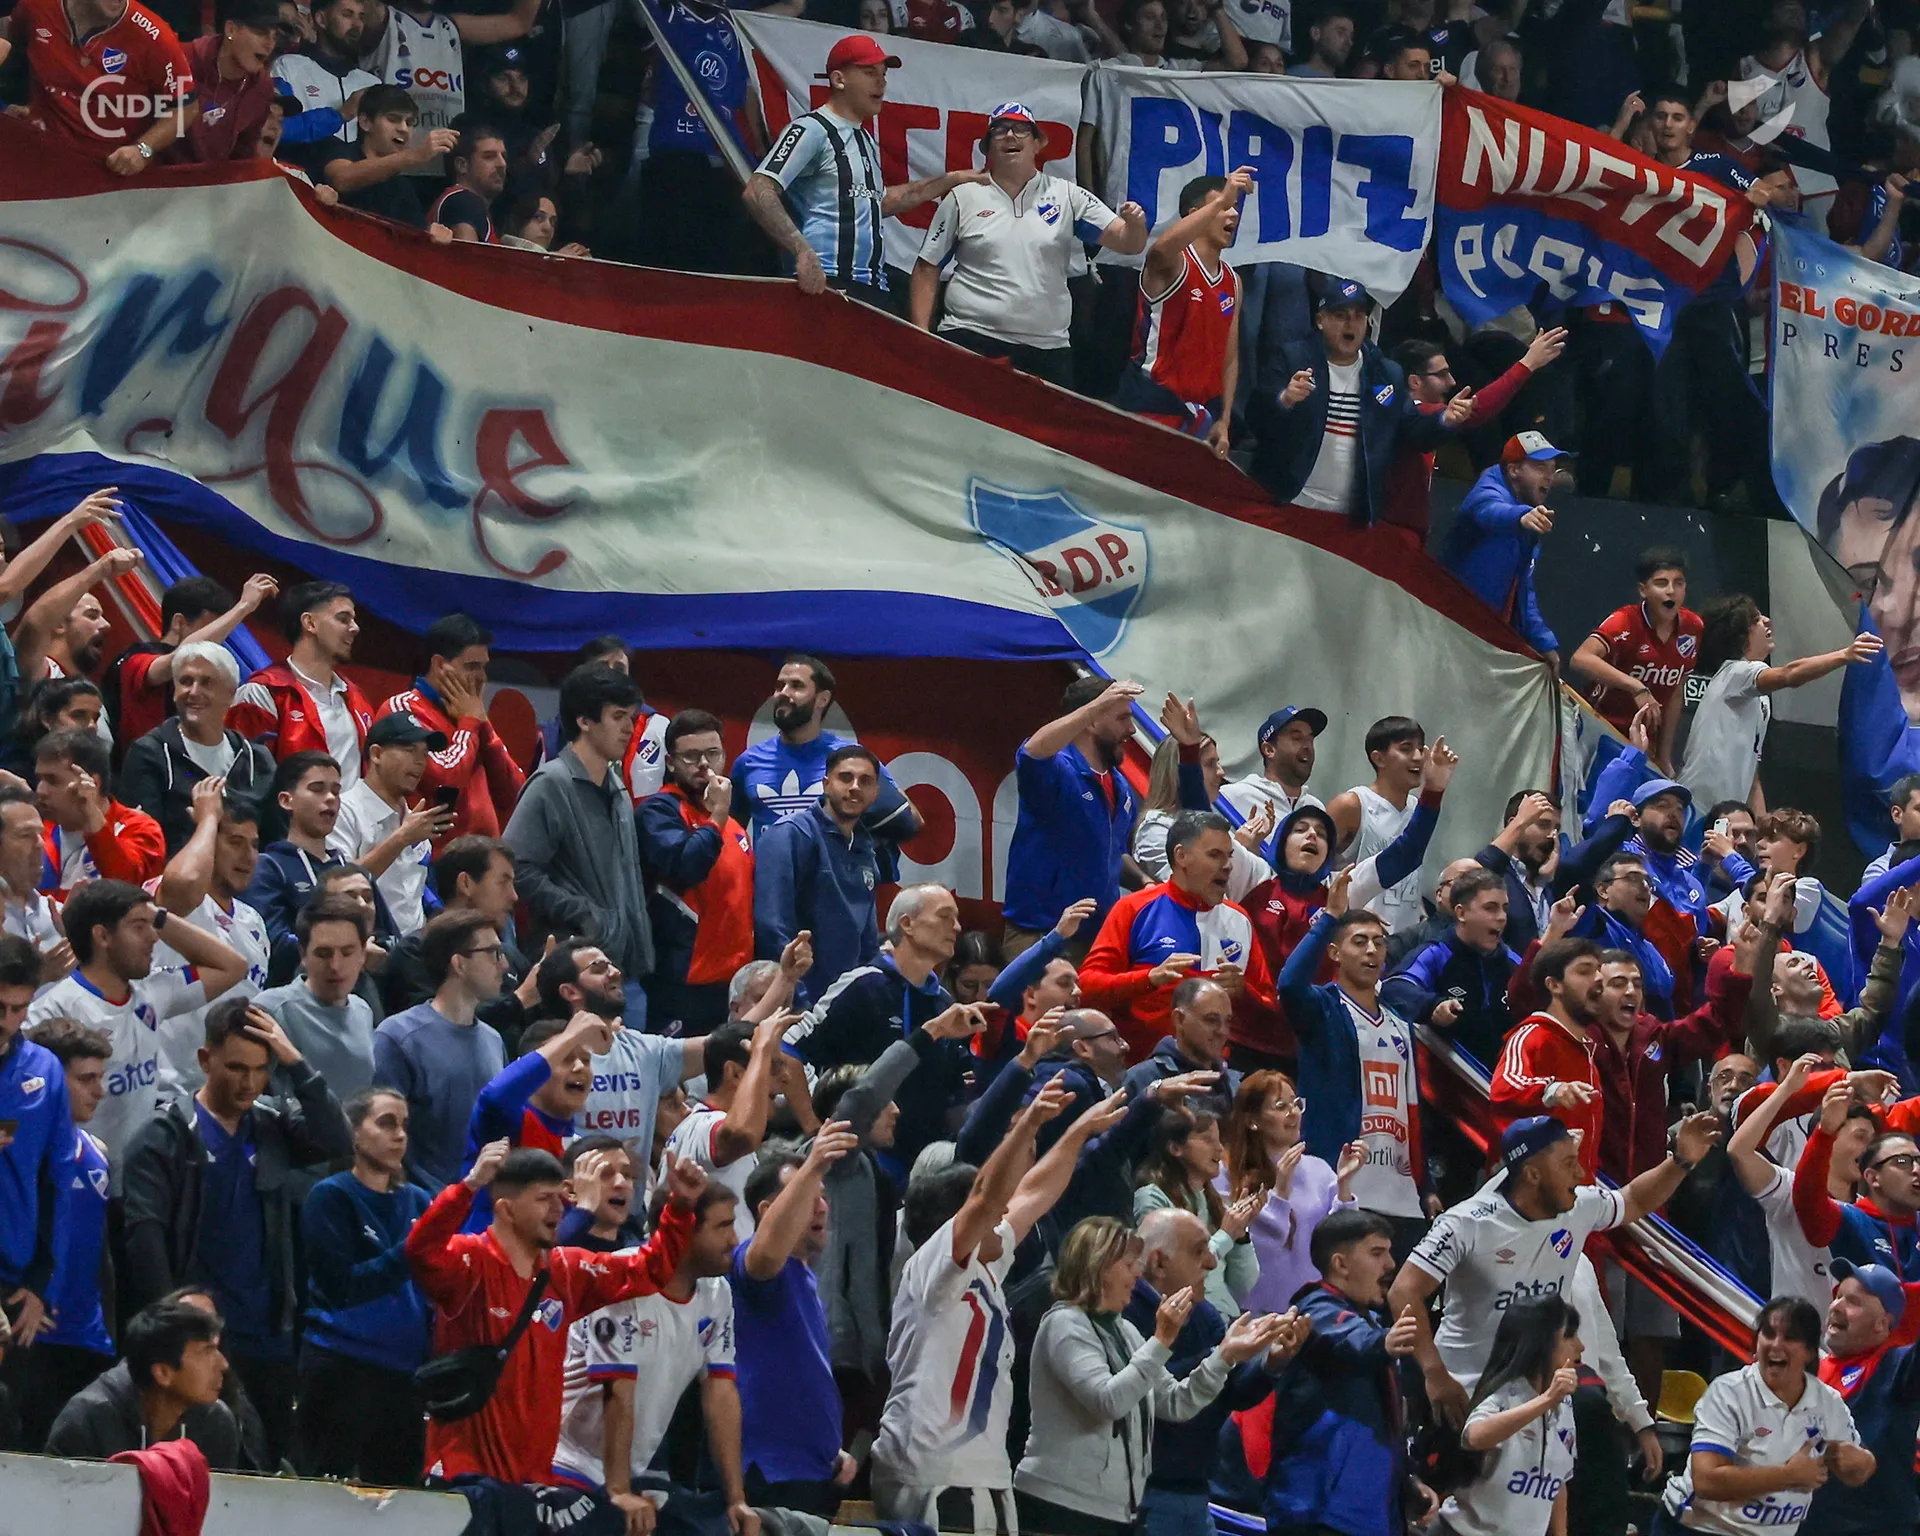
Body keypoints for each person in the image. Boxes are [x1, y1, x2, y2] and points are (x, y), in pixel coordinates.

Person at [871, 1078, 1120, 1528]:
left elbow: (1035, 1193)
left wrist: (1078, 1131)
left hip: (977, 1473)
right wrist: (1028, 1124)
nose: (1006, 1213)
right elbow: (988, 1197)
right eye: (993, 1210)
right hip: (937, 1474)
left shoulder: (984, 1265)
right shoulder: (934, 1267)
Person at [120, 997, 352, 1468]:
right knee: (197, 1464)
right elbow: (145, 1241)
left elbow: (337, 1140)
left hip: (267, 1334)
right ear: (205, 1060)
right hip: (198, 1340)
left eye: (261, 1069)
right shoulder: (164, 1137)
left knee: (266, 1466)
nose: (249, 1082)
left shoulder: (271, 1127)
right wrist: (175, 1332)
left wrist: (296, 1063)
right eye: (236, 1068)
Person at [405, 1137, 702, 1497]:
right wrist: (469, 1186)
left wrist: (681, 1206)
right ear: (506, 1210)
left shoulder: (566, 1271)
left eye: (560, 1198)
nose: (558, 1209)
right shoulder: (470, 1262)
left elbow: (650, 1269)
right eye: (544, 1199)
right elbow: (420, 1250)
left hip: (534, 1483)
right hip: (463, 1478)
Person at [1390, 1112, 1719, 1425]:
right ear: (1532, 1174)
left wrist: (1681, 1161)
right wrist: (1434, 1373)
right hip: (1469, 1394)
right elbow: (1404, 1291)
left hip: (1544, 1393)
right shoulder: (1466, 1223)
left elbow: (1633, 1199)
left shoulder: (1579, 1206)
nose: (1580, 1173)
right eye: (1568, 1163)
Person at [1012, 1214, 1282, 1536]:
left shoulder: (1125, 1330)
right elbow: (1108, 1401)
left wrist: (1225, 1356)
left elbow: (1176, 1402)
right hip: (1058, 1504)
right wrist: (1161, 1340)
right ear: (1099, 1267)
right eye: (1128, 1265)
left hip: (1113, 1509)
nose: (1137, 1274)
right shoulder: (1065, 1324)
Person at [551, 1180, 753, 1533]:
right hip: (567, 1466)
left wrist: (736, 1499)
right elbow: (618, 1390)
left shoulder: (717, 1292)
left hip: (626, 1473)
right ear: (684, 1232)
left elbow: (720, 1393)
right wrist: (618, 1490)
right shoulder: (621, 1278)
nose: (734, 1240)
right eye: (723, 1226)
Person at [911, 103, 1146, 389]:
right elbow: (927, 266)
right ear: (987, 147)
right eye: (1000, 130)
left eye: (1021, 129)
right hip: (969, 337)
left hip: (1046, 349)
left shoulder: (1067, 195)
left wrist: (1135, 225)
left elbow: (1128, 243)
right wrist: (920, 335)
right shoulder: (963, 196)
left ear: (1037, 144)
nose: (1010, 135)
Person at [26, 878, 249, 1174]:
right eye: (139, 926)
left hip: (142, 1177)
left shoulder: (153, 992)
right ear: (102, 936)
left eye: (152, 926)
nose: (154, 937)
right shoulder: (54, 1011)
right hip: (82, 1177)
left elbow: (233, 966)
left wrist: (159, 916)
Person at [744, 32, 983, 305]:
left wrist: (953, 178)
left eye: (883, 74)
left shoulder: (864, 138)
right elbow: (757, 190)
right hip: (824, 282)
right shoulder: (811, 129)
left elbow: (877, 202)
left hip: (869, 286)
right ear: (839, 79)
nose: (881, 82)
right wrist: (801, 250)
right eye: (870, 73)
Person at [1122, 1206, 1297, 1536]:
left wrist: (1271, 1362)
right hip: (1143, 1495)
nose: (1212, 1263)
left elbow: (1233, 1392)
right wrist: (1221, 1354)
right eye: (1198, 1251)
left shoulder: (1204, 1314)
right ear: (1158, 1262)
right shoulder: (1126, 1311)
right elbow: (1150, 1392)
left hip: (1198, 1491)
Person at [1279, 879, 1436, 1244]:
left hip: (1401, 1193)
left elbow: (1410, 1106)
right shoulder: (1323, 1009)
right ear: (1334, 953)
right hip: (1342, 1185)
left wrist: (1425, 1183)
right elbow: (1289, 985)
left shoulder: (1400, 1022)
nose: (1372, 950)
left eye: (1379, 942)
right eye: (1360, 941)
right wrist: (1329, 918)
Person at [1261, 1208, 1427, 1536]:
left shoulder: (1370, 1324)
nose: (1390, 1265)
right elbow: (1351, 1341)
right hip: (1317, 1509)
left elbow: (1384, 1423)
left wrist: (1405, 1481)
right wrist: (1384, 1343)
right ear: (1341, 1264)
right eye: (1377, 1253)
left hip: (1368, 1513)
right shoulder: (1316, 1311)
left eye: (1389, 1253)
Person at [297, 1086, 431, 1484]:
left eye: (404, 1125)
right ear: (354, 1133)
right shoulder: (330, 1196)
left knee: (402, 1497)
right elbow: (342, 1288)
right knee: (328, 1494)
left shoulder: (420, 1201)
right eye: (386, 1123)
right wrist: (412, 1249)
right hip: (342, 1365)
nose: (400, 1135)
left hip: (405, 1372)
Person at [504, 664, 654, 1020]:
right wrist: (583, 913)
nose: (629, 727)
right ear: (584, 721)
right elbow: (515, 867)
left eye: (631, 717)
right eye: (618, 716)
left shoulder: (617, 789)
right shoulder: (550, 784)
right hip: (575, 979)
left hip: (624, 971)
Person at [1251, 278, 1469, 523]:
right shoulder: (1292, 358)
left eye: (1358, 316)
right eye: (1340, 315)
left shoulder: (1386, 373)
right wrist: (1285, 400)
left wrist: (1445, 420)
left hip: (1349, 517)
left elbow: (1415, 431)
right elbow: (1255, 420)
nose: (1350, 324)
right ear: (1320, 320)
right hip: (1288, 503)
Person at [1654, 1295, 1873, 1536]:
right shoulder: (1728, 1393)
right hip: (1697, 1528)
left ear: (1811, 1352)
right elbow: (1706, 1481)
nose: (1776, 1345)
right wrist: (1788, 1476)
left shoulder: (1827, 1402)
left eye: (1790, 1337)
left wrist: (1862, 1463)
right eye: (1768, 1334)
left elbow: (1859, 1471)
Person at [729, 1127, 864, 1517]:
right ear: (767, 1211)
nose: (820, 1207)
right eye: (806, 1195)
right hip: (772, 1474)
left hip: (812, 1470)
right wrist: (815, 1163)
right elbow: (764, 1257)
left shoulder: (805, 1278)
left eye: (823, 1196)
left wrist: (831, 1449)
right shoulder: (753, 1265)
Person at [793, 884, 978, 1165]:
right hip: (858, 1161)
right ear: (907, 924)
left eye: (956, 918)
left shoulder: (944, 1003)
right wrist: (813, 1130)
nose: (957, 927)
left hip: (921, 1164)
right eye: (944, 916)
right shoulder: (863, 985)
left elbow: (951, 1094)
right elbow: (788, 1052)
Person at [1080, 811, 1277, 1062]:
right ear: (1181, 856)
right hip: (1140, 1071)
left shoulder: (1240, 920)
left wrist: (1244, 992)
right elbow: (1086, 987)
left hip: (1216, 1074)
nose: (1228, 866)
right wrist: (1149, 979)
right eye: (1215, 855)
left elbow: (1270, 1010)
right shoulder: (1134, 908)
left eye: (1229, 856)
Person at [1681, 596, 1883, 812]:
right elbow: (1789, 674)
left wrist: (1762, 824)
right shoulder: (1733, 673)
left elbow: (1752, 776)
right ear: (1739, 634)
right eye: (1756, 619)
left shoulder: (1760, 699)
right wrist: (1844, 654)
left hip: (1725, 815)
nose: (1767, 621)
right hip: (1695, 806)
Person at [1384, 328, 1566, 549]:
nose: (1452, 382)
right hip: (1390, 532)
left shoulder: (1411, 416)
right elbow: (1477, 410)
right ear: (1415, 382)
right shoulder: (1411, 413)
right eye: (1441, 374)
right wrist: (1527, 364)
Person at [1003, 676, 1142, 959]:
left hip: (1096, 940)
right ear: (1090, 721)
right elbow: (1031, 753)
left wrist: (1143, 880)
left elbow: (1112, 853)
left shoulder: (1120, 787)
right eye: (1122, 718)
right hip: (1042, 935)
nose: (1131, 729)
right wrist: (1095, 706)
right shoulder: (1057, 771)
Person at [372, 909, 511, 1192]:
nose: (505, 965)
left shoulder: (494, 1040)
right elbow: (384, 1138)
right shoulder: (398, 1037)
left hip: (485, 1206)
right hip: (427, 1206)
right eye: (493, 953)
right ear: (459, 963)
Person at [1114, 170, 1250, 454]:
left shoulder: (1233, 281)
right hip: (1154, 402)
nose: (1233, 214)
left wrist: (1225, 420)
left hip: (1202, 415)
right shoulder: (1174, 263)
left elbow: (1230, 357)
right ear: (1196, 215)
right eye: (1224, 207)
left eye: (1234, 207)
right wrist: (1221, 200)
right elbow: (1157, 253)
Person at [150, 783, 273, 1092]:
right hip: (167, 1089)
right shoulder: (175, 900)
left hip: (229, 1090)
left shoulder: (253, 920)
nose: (248, 856)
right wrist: (207, 818)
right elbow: (186, 881)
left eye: (254, 845)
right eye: (235, 842)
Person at [637, 708, 754, 1034]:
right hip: (683, 983)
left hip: (732, 982)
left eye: (712, 753)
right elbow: (685, 867)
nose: (704, 764)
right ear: (671, 762)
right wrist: (717, 816)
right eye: (691, 756)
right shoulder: (659, 811)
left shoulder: (732, 825)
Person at [728, 654, 920, 849]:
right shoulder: (748, 762)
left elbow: (911, 819)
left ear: (822, 699)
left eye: (796, 686)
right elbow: (731, 834)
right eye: (779, 686)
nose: (783, 693)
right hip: (772, 868)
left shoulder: (851, 759)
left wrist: (858, 849)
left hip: (834, 869)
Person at [1439, 1293, 1582, 1536]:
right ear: (1542, 1343)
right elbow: (1475, 1436)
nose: (1580, 1346)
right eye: (1569, 1336)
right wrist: (1546, 1400)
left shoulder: (1564, 1403)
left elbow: (1557, 1481)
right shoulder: (1506, 1395)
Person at [1218, 1069, 1358, 1316]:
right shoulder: (1227, 1173)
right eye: (1280, 1106)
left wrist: (1344, 1186)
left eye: (1296, 1104)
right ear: (1252, 1121)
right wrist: (1281, 1190)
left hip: (1314, 1311)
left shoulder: (1318, 1168)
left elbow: (1342, 1239)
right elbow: (1260, 1248)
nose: (1293, 1112)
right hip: (1255, 1314)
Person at [752, 744, 884, 1008]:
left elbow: (868, 943)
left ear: (875, 793)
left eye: (865, 781)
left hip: (843, 1005)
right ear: (826, 784)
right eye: (845, 777)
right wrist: (799, 999)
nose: (855, 787)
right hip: (795, 1002)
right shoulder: (790, 834)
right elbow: (772, 927)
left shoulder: (866, 851)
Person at [376, 614, 526, 842]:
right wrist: (470, 723)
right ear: (439, 665)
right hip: (433, 855)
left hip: (484, 852)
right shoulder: (403, 711)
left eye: (483, 667)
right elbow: (443, 782)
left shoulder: (470, 714)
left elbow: (514, 792)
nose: (482, 678)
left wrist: (483, 725)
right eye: (472, 667)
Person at [0, 0, 197, 171]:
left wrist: (143, 148)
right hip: (43, 154)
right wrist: (21, 105)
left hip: (109, 168)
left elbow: (187, 107)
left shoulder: (154, 36)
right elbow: (14, 43)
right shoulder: (35, 7)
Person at [459, 1010, 613, 1228]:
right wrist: (571, 1036)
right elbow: (494, 1097)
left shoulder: (581, 1149)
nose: (580, 1067)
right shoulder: (509, 1123)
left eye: (586, 1060)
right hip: (483, 1246)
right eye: (566, 1058)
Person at [120, 641, 276, 856]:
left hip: (251, 875)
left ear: (231, 694)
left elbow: (274, 840)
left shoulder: (257, 759)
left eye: (206, 682)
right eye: (185, 681)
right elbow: (146, 847)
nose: (193, 692)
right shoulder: (149, 754)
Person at [44, 1297, 237, 1465]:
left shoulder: (216, 1422)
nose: (223, 1364)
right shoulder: (87, 1421)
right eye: (206, 1352)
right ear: (163, 1373)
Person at [381, 836, 535, 1045]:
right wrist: (520, 999)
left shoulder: (511, 956)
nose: (514, 896)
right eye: (503, 882)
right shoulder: (417, 951)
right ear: (465, 883)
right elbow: (435, 1031)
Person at [1440, 432, 1572, 666]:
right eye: (1540, 467)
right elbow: (1490, 510)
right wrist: (1521, 516)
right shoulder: (1488, 490)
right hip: (1449, 631)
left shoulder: (1530, 517)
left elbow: (1522, 587)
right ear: (1513, 470)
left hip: (1487, 638)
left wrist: (1543, 642)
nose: (1549, 476)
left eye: (1552, 468)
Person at [1809, 1258, 1920, 1536]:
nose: (1836, 1306)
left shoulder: (1897, 1368)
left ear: (1881, 1324)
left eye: (1853, 1302)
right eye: (1838, 1296)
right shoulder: (1808, 1371)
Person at [105, 573, 273, 750]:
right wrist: (244, 606)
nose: (216, 640)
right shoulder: (135, 659)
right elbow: (178, 660)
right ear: (179, 622)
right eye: (211, 628)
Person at [230, 581, 372, 787]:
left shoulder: (356, 697)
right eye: (343, 618)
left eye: (354, 620)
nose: (355, 628)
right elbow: (244, 784)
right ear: (310, 623)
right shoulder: (264, 693)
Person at [1570, 550, 1704, 770]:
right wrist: (1636, 687)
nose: (1671, 591)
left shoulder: (1693, 627)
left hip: (1642, 743)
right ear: (1643, 590)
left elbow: (1676, 691)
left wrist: (1664, 756)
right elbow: (1580, 658)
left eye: (1678, 583)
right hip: (1600, 732)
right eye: (1661, 583)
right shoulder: (1625, 620)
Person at [329, 712, 456, 936]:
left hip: (414, 948)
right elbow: (336, 887)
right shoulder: (344, 811)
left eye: (424, 754)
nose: (420, 761)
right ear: (376, 754)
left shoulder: (417, 822)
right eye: (409, 750)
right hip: (365, 945)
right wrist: (402, 838)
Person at [662, 1016, 791, 1236]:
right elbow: (742, 1134)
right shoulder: (704, 1125)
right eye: (773, 1067)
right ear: (735, 1073)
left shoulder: (696, 1125)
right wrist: (761, 1051)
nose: (786, 1077)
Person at [1132, 1102, 1264, 1317]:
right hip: (1187, 1319)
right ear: (1176, 1148)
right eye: (1207, 1139)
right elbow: (1171, 1272)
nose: (1219, 1149)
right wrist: (1226, 1234)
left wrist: (1241, 1235)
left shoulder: (1213, 1201)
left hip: (1224, 1317)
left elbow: (1242, 1286)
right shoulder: (1152, 1198)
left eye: (1219, 1140)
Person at [1489, 937, 1607, 1178]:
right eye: (1585, 971)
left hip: (1575, 1193)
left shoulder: (1586, 1052)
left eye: (1599, 971)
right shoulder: (1532, 1035)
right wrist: (1552, 1090)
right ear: (1554, 985)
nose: (1598, 979)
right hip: (1529, 1192)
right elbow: (1503, 1086)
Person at [1383, 866, 1522, 1068]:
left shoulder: (1510, 960)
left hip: (1500, 1077)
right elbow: (1395, 988)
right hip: (1448, 1076)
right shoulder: (1437, 953)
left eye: (1505, 908)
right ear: (1461, 913)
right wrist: (1433, 1006)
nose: (1502, 917)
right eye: (1490, 908)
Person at [1325, 718, 1446, 935]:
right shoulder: (1352, 805)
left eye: (1421, 749)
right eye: (1406, 749)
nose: (1418, 757)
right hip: (1360, 938)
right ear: (1379, 758)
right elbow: (1314, 874)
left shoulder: (1419, 808)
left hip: (1406, 937)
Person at [1792, 1079, 1920, 1276]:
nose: (1916, 1169)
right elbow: (1808, 1201)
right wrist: (1825, 1133)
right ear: (1872, 1177)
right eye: (1902, 1161)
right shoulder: (1851, 1220)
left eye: (1919, 1160)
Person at [253, 894, 375, 1101]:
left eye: (347, 953)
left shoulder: (363, 1010)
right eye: (323, 954)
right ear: (303, 954)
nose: (335, 966)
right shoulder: (270, 1010)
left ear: (362, 954)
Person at [35, 728, 166, 896]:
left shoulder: (139, 829)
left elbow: (126, 888)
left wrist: (91, 813)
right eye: (39, 779)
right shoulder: (34, 831)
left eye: (53, 781)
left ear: (92, 783)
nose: (41, 790)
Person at [321, 87, 461, 228]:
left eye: (410, 123)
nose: (404, 129)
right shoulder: (338, 150)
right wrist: (415, 155)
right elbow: (341, 179)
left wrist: (434, 235)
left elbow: (416, 234)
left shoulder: (402, 187)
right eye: (393, 119)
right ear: (365, 122)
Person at [176, 0, 282, 162]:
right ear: (231, 29)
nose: (270, 44)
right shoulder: (181, 60)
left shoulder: (262, 87)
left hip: (214, 176)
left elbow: (244, 152)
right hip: (157, 173)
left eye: (275, 36)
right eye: (261, 32)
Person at [1220, 705, 1326, 826]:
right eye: (1297, 738)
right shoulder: (1232, 798)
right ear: (1269, 750)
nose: (1307, 746)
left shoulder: (1317, 808)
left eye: (1310, 740)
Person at [432, 127, 510, 242]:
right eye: (489, 157)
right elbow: (467, 252)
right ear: (462, 165)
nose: (502, 164)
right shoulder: (463, 201)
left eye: (504, 156)